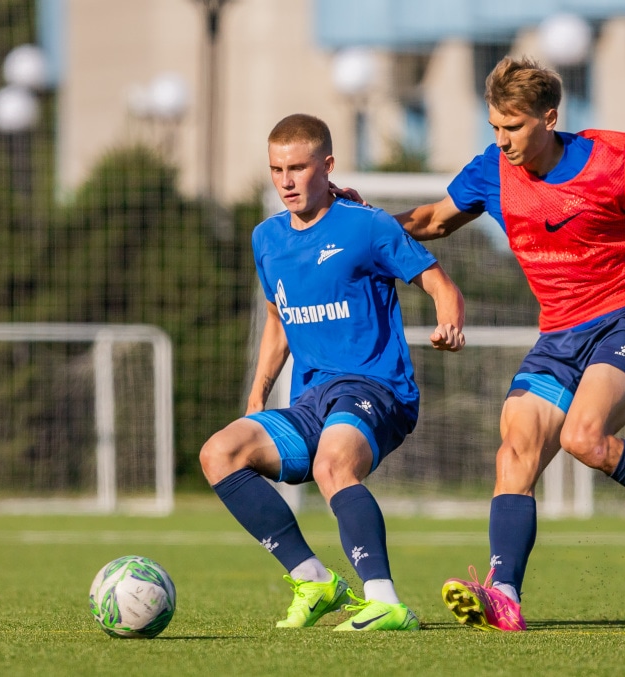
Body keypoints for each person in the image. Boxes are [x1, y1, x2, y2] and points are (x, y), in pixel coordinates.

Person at [391, 56, 625, 631]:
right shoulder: (491, 170)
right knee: (515, 449)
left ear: (549, 118)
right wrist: (358, 224)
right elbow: (432, 219)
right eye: (494, 127)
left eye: (514, 127)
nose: (502, 140)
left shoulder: (608, 167)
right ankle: (504, 595)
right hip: (559, 332)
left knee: (585, 437)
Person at [199, 113, 466, 632]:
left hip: (376, 387)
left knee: (332, 464)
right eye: (277, 169)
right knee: (219, 454)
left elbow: (440, 284)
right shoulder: (266, 238)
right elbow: (277, 319)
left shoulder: (367, 226)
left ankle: (385, 602)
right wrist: (256, 396)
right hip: (311, 399)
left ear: (327, 166)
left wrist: (449, 322)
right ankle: (315, 579)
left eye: (298, 168)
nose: (286, 181)